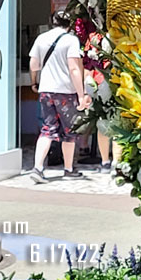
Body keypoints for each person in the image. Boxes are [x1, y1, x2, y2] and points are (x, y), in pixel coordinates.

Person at [29, 11, 91, 182]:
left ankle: (38, 168)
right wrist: (81, 94)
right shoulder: (70, 40)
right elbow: (74, 69)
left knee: (47, 129)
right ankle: (68, 169)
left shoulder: (41, 38)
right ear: (69, 23)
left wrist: (34, 82)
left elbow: (34, 65)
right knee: (69, 132)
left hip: (46, 89)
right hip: (66, 91)